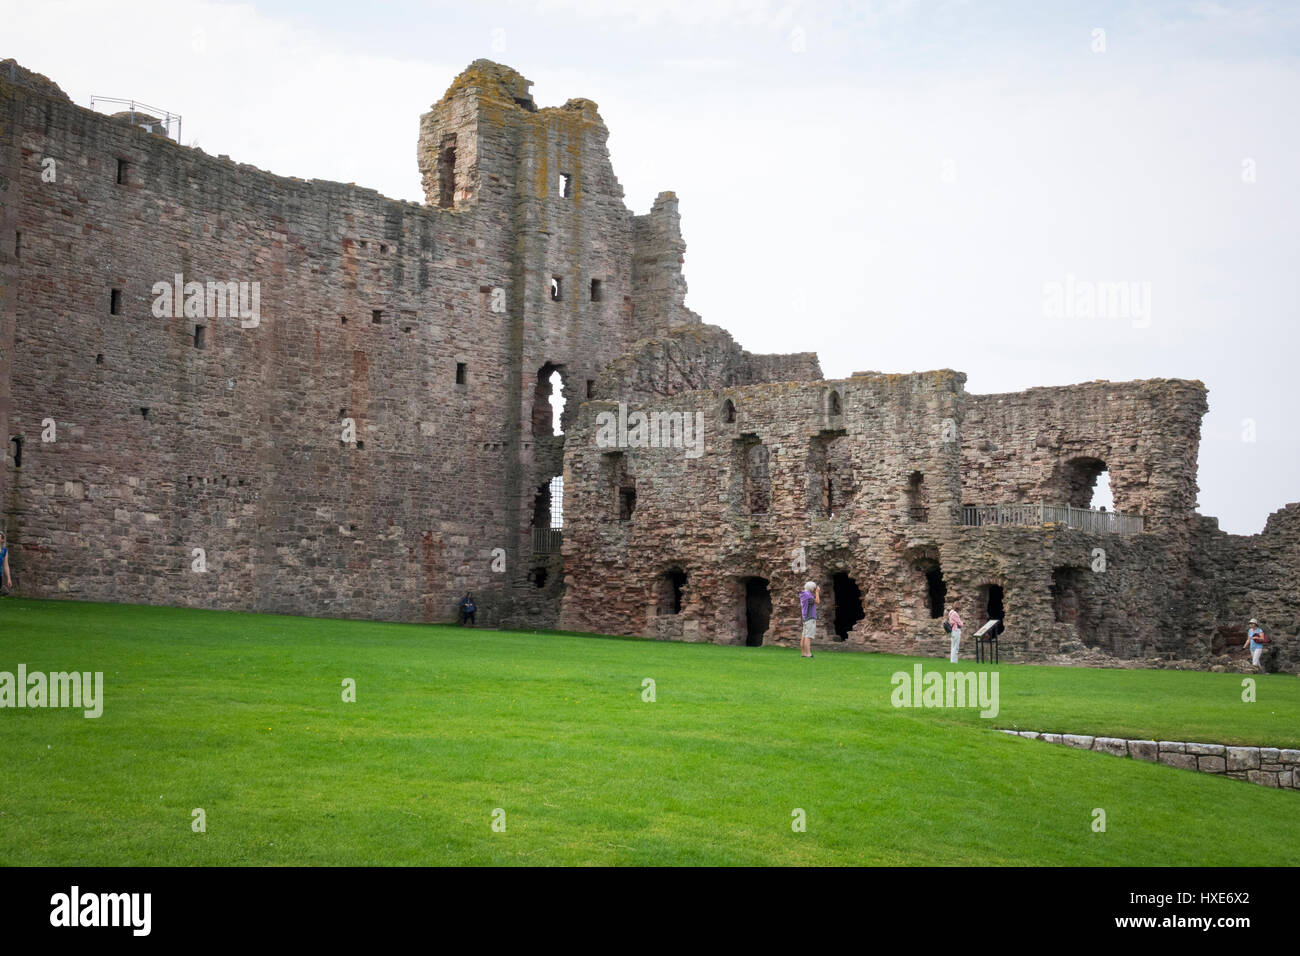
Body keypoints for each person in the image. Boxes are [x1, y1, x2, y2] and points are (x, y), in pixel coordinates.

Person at [799, 580, 819, 659]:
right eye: (814, 588)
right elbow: (817, 601)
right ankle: (808, 654)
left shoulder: (804, 594)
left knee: (804, 636)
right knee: (808, 636)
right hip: (810, 617)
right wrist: (817, 592)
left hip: (805, 617)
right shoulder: (808, 596)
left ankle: (803, 653)